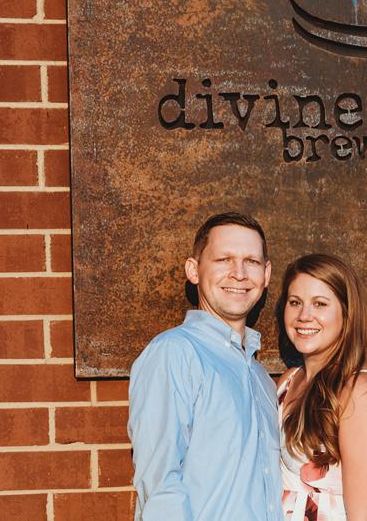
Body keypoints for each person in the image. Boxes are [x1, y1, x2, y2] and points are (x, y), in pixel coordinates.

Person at [127, 212, 282, 520]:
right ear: (194, 270)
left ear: (265, 274)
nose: (239, 274)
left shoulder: (260, 377)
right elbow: (160, 484)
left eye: (251, 261)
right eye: (224, 259)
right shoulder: (174, 353)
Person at [275, 254, 367, 521]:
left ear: (346, 312)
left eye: (320, 304)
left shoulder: (361, 390)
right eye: (295, 302)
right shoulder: (289, 381)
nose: (304, 316)